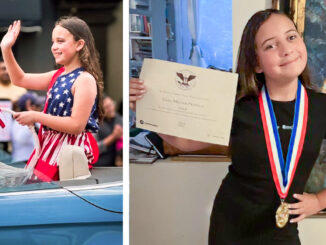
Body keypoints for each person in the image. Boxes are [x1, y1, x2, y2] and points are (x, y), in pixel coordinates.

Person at [130, 9, 326, 244]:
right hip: (232, 226)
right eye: (270, 46)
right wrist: (143, 106)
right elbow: (185, 142)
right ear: (256, 64)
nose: (286, 49)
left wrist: (318, 201)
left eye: (291, 37)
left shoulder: (321, 107)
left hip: (282, 230)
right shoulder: (238, 105)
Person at [0, 17, 104, 181]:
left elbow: (76, 126)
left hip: (68, 150)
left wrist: (35, 116)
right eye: (53, 41)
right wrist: (6, 49)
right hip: (49, 147)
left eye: (60, 41)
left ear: (79, 44)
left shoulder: (85, 79)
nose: (54, 47)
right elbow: (19, 79)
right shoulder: (58, 75)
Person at [10, 92, 44, 163]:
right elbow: (20, 139)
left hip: (33, 161)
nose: (40, 107)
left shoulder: (37, 120)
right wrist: (31, 121)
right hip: (21, 162)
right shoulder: (17, 121)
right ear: (30, 107)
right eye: (37, 105)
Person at [95, 96, 123, 167]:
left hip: (118, 165)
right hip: (101, 166)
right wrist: (113, 137)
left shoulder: (121, 120)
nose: (110, 109)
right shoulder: (95, 124)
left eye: (111, 105)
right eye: (106, 107)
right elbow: (93, 149)